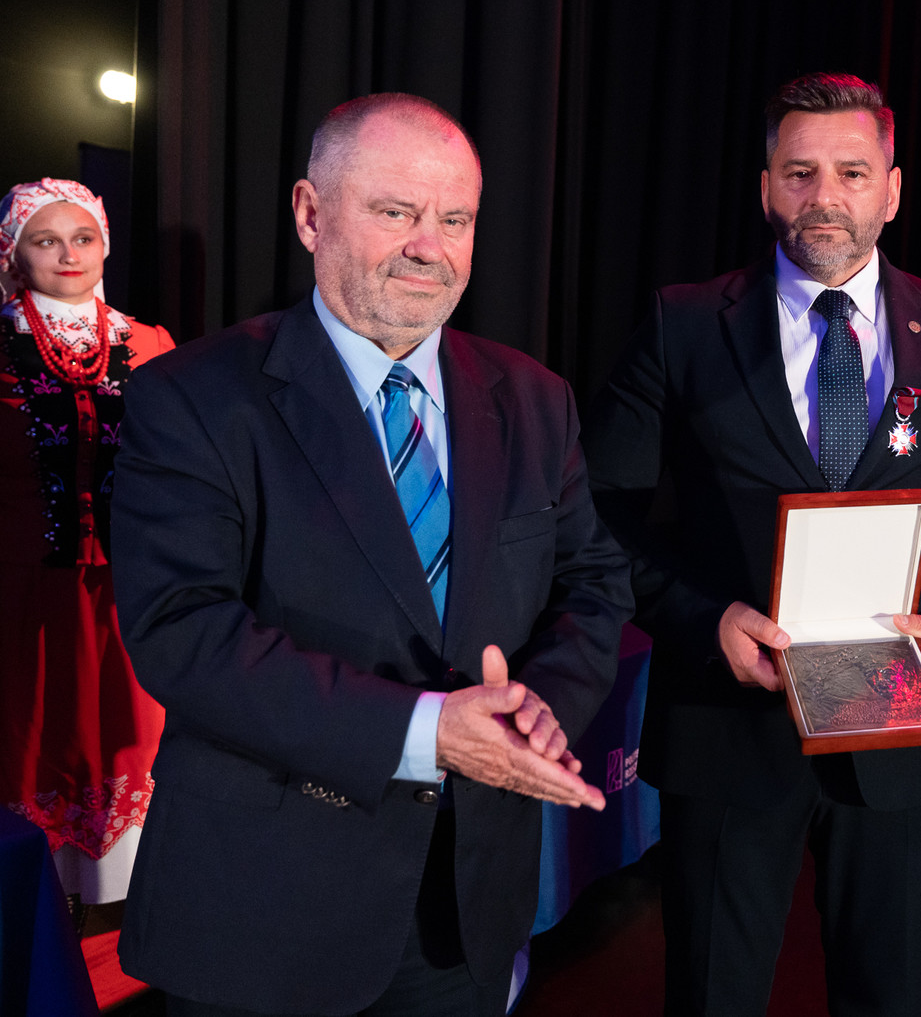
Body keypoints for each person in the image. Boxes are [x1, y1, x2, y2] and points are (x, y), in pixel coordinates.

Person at [109, 94, 633, 1016]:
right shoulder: (192, 397)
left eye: (455, 220)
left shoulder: (534, 398)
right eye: (396, 212)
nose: (430, 247)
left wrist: (535, 708)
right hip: (263, 914)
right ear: (311, 214)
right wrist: (426, 732)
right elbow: (182, 633)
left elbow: (591, 584)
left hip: (463, 910)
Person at [583, 72, 921, 1016]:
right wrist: (705, 619)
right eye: (799, 172)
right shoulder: (686, 325)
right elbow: (598, 511)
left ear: (893, 189)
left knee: (887, 999)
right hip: (728, 729)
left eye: (852, 172)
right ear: (766, 186)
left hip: (901, 732)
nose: (825, 196)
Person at [0, 178, 173, 923]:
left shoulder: (150, 343)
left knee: (129, 730)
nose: (68, 254)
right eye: (47, 240)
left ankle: (122, 901)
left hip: (126, 587)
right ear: (14, 253)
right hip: (20, 591)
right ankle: (37, 902)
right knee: (31, 730)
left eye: (84, 238)